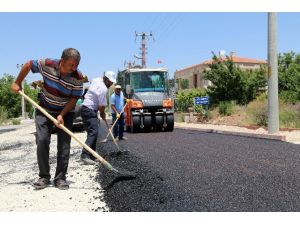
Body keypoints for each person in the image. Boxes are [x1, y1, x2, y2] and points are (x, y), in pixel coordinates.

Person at [11, 48, 84, 190]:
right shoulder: (47, 64)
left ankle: (60, 178)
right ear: (62, 61)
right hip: (44, 109)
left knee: (64, 145)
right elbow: (27, 65)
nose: (73, 68)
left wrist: (62, 115)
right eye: (71, 65)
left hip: (66, 112)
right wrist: (17, 82)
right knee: (42, 140)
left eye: (76, 65)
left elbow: (74, 98)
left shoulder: (78, 77)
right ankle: (44, 177)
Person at [80, 71, 116, 165]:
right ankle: (84, 155)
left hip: (86, 109)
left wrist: (100, 112)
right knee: (93, 132)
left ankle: (92, 155)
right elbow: (101, 106)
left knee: (92, 132)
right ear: (106, 79)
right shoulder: (103, 89)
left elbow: (92, 81)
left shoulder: (97, 79)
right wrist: (103, 113)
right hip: (89, 109)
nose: (111, 84)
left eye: (112, 82)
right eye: (110, 82)